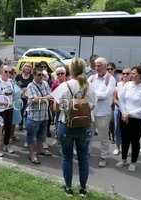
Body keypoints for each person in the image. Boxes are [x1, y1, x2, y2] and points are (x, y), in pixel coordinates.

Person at [50, 57, 97, 197]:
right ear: (83, 69)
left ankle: (68, 187)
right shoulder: (89, 86)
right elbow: (93, 106)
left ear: (69, 70)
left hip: (67, 124)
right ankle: (83, 189)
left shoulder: (64, 86)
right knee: (83, 157)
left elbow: (55, 108)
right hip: (85, 126)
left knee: (67, 157)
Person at [116, 65, 141, 172]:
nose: (131, 75)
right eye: (131, 73)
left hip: (138, 119)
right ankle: (123, 159)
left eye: (134, 73)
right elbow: (121, 99)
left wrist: (129, 114)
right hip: (125, 116)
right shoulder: (127, 85)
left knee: (134, 141)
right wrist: (124, 113)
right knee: (125, 139)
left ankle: (133, 162)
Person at [88, 57, 116, 167]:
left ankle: (104, 156)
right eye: (96, 66)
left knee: (103, 137)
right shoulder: (92, 77)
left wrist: (93, 95)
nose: (97, 68)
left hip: (103, 113)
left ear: (105, 66)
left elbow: (106, 95)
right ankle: (87, 153)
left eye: (99, 66)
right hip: (91, 112)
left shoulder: (111, 79)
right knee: (88, 135)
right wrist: (97, 95)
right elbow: (85, 90)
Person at [26, 66, 52, 164]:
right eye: (39, 75)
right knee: (31, 136)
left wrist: (43, 98)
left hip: (44, 115)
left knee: (41, 134)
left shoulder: (45, 83)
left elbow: (51, 95)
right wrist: (46, 98)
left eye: (43, 75)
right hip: (34, 116)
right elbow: (35, 100)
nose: (41, 76)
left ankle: (40, 150)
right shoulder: (30, 86)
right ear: (34, 75)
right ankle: (32, 154)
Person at [112, 67, 132, 156]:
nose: (125, 75)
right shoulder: (119, 84)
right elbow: (114, 99)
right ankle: (117, 147)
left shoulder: (132, 85)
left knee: (127, 131)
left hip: (129, 113)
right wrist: (121, 106)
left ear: (131, 75)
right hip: (118, 110)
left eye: (127, 73)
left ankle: (126, 148)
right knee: (117, 129)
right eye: (123, 73)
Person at [0, 65, 14, 153]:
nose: (8, 74)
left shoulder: (10, 81)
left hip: (10, 107)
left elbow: (12, 93)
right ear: (2, 71)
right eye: (6, 71)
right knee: (0, 128)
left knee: (8, 127)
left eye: (10, 72)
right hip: (1, 108)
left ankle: (6, 144)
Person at [15, 63, 33, 131]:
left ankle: (27, 124)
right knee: (21, 110)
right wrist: (20, 89)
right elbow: (15, 84)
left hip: (29, 96)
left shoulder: (32, 77)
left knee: (28, 111)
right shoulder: (19, 76)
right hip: (21, 96)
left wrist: (27, 89)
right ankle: (20, 124)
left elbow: (33, 85)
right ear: (24, 68)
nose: (28, 68)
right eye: (26, 67)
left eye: (29, 67)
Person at [9, 67, 22, 142]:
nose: (14, 74)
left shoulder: (14, 81)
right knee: (9, 122)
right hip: (11, 104)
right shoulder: (8, 81)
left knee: (14, 121)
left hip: (16, 103)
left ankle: (12, 135)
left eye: (14, 73)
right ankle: (8, 136)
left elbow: (18, 90)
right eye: (13, 73)